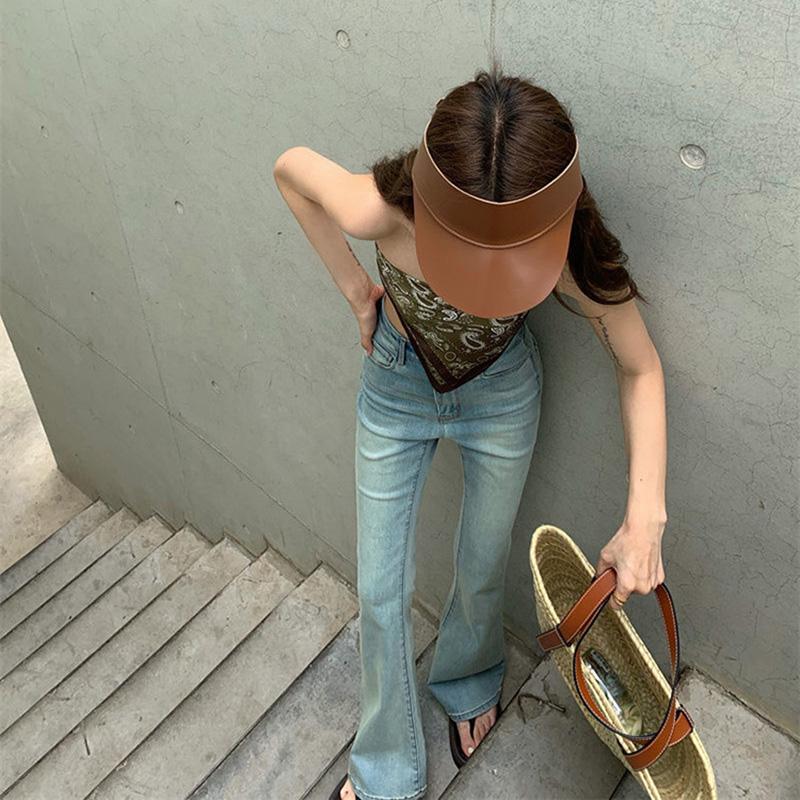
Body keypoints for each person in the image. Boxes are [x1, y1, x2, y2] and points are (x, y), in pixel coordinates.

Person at [273, 62, 668, 800]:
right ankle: (385, 768)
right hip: (395, 388)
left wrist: (645, 516)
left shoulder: (569, 254)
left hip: (501, 395)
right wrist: (356, 291)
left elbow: (640, 366)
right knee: (380, 590)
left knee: (484, 563)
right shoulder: (381, 210)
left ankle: (468, 678)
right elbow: (292, 171)